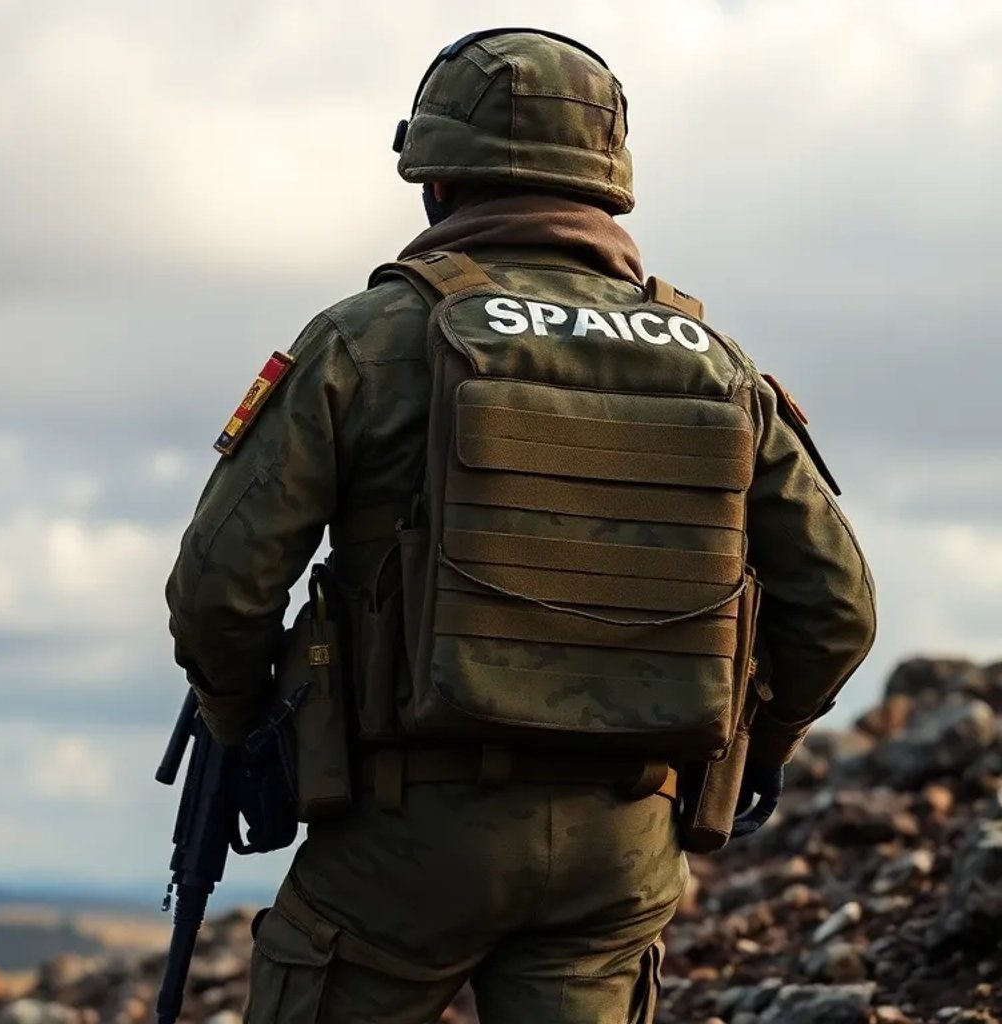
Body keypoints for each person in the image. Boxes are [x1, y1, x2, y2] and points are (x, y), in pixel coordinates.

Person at [163, 27, 876, 1024]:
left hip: (408, 832)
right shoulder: (715, 362)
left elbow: (220, 589)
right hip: (619, 847)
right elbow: (836, 608)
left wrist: (246, 730)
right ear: (603, 187)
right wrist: (758, 748)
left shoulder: (366, 341)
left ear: (437, 185)